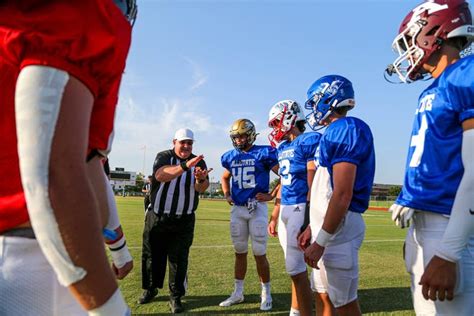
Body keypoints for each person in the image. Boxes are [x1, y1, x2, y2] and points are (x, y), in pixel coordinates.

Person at [0, 1, 136, 315]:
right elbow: (54, 177)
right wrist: (112, 309)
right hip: (31, 264)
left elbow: (87, 166)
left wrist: (118, 249)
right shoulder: (83, 11)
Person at [385, 0, 474, 314]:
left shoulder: (466, 72)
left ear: (433, 31)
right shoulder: (436, 88)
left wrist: (449, 252)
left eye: (410, 40)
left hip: (451, 226)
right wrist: (413, 197)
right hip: (429, 224)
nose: (408, 51)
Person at [299, 75, 375, 316]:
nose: (312, 108)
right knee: (322, 295)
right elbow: (325, 188)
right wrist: (313, 227)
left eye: (315, 101)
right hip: (327, 229)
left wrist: (321, 241)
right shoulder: (332, 132)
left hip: (339, 231)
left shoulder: (347, 128)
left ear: (329, 98)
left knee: (344, 304)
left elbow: (342, 193)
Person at [139, 128, 212, 313]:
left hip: (184, 219)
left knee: (179, 259)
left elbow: (201, 189)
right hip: (158, 216)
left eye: (190, 143)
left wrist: (201, 180)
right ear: (174, 142)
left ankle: (175, 296)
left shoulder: (199, 161)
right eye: (183, 142)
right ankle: (150, 288)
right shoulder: (163, 156)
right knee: (151, 256)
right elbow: (161, 175)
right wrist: (186, 166)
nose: (186, 146)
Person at [267, 100, 321, 316]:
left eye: (276, 122)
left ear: (289, 117)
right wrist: (274, 215)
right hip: (286, 210)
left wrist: (309, 216)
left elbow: (313, 180)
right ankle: (295, 311)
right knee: (295, 270)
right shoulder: (283, 148)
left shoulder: (309, 140)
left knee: (297, 270)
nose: (274, 128)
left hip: (300, 207)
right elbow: (283, 183)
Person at [219, 119, 279, 311]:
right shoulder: (230, 156)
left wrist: (271, 194)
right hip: (238, 209)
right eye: (235, 137)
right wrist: (227, 194)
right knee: (239, 252)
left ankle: (266, 293)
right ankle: (238, 293)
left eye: (242, 136)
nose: (238, 140)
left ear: (251, 134)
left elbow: (284, 174)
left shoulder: (264, 152)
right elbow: (224, 176)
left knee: (259, 253)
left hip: (257, 207)